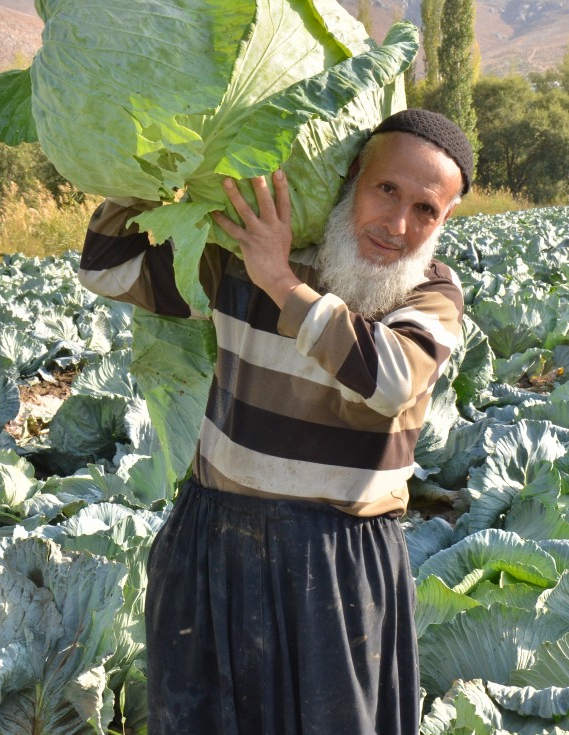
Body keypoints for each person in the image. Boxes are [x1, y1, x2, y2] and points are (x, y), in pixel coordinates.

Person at [79, 108, 473, 735]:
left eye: (426, 209)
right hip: (212, 541)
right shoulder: (248, 260)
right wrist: (145, 172)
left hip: (336, 564)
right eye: (386, 190)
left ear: (445, 219)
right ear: (352, 175)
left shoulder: (430, 294)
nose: (398, 224)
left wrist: (280, 281)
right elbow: (107, 270)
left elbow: (391, 380)